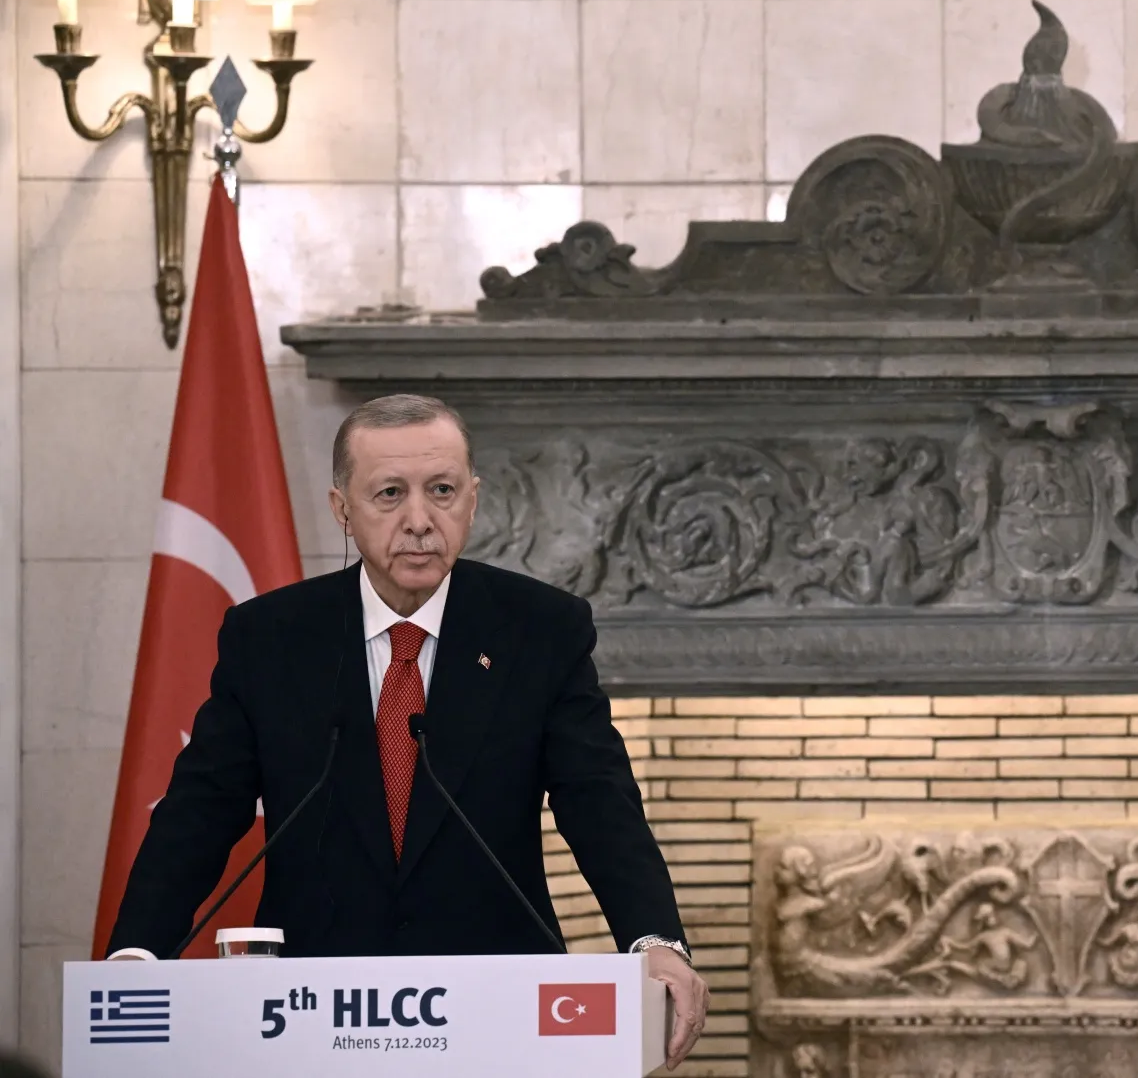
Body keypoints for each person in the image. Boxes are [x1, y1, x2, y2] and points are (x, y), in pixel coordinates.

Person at [106, 394, 709, 1068]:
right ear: (343, 509)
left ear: (473, 501)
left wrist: (654, 939)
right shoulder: (270, 637)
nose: (419, 520)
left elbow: (599, 801)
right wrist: (138, 951)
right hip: (311, 1020)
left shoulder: (540, 629)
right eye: (389, 493)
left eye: (442, 491)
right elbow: (201, 809)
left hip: (499, 1011)